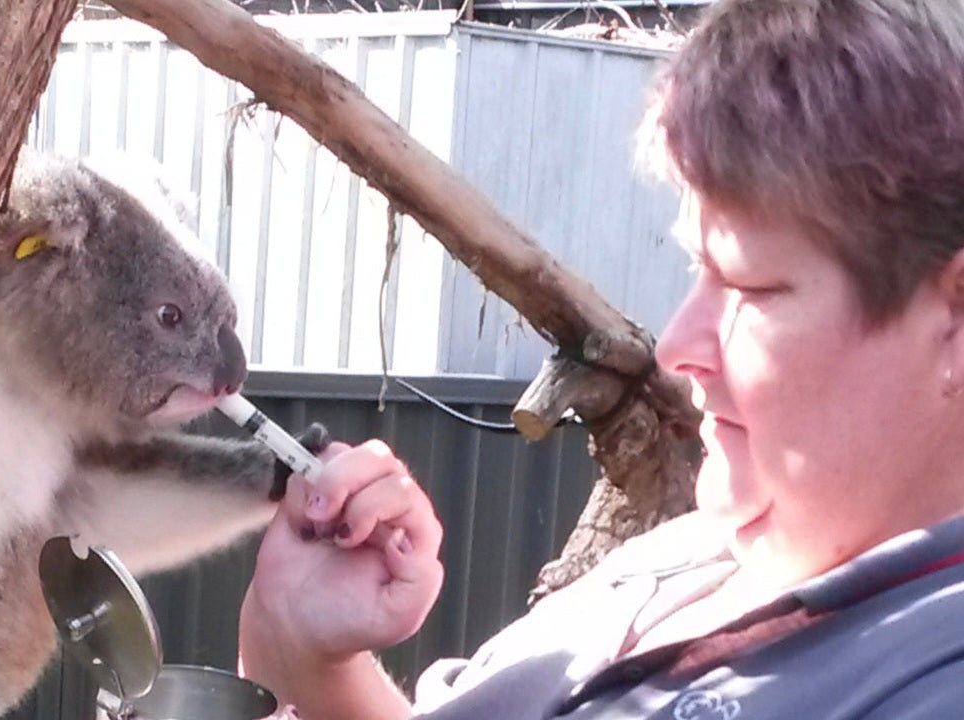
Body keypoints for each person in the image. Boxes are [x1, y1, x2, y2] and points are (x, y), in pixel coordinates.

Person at [238, 1, 964, 718]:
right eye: (696, 270)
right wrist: (305, 650)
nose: (678, 348)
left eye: (751, 287)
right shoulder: (676, 563)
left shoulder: (931, 677)